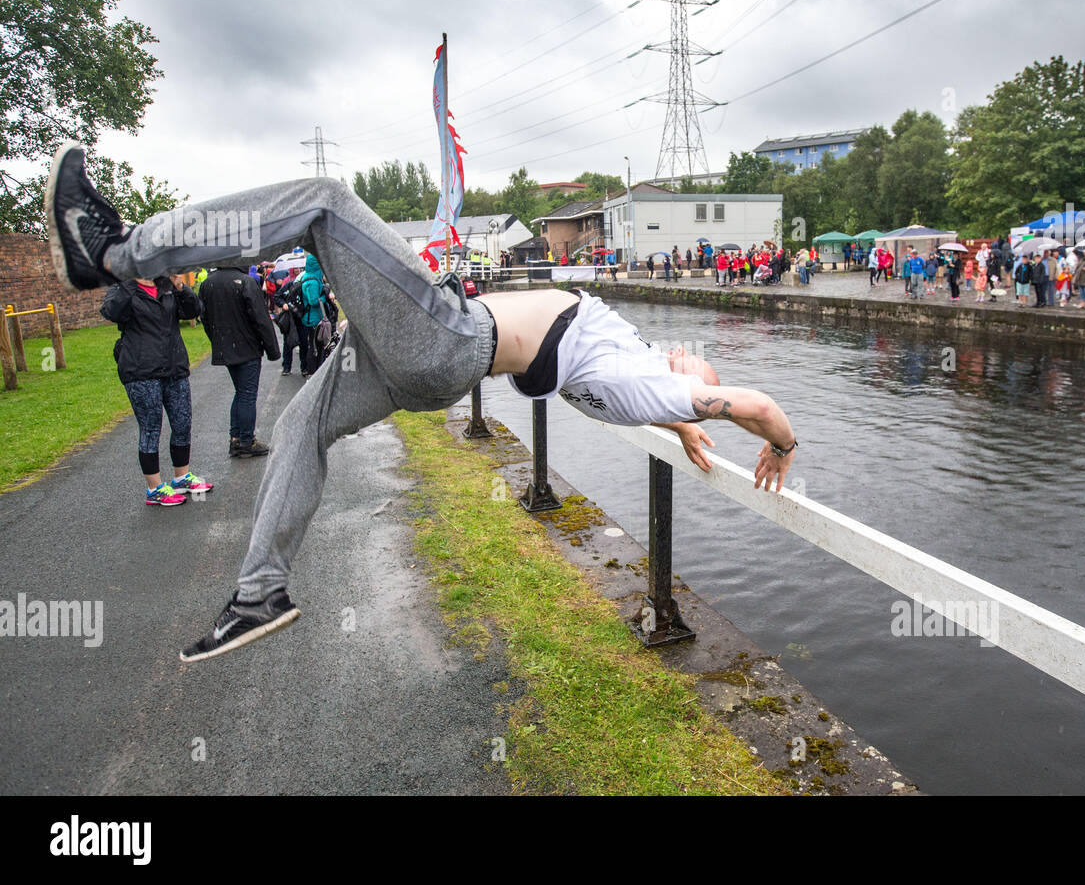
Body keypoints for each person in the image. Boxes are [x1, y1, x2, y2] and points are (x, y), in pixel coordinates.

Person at [46, 142, 801, 661]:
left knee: (325, 201)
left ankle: (112, 251)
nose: (685, 360)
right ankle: (259, 595)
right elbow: (660, 393)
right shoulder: (646, 381)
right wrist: (687, 416)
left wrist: (773, 438)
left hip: (443, 341)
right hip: (412, 359)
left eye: (691, 372)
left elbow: (753, 405)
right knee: (298, 427)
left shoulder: (653, 384)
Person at [100, 271, 213, 506]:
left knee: (182, 423)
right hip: (141, 370)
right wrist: (130, 284)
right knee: (151, 428)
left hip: (174, 366)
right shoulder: (122, 288)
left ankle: (181, 476)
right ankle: (154, 488)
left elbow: (193, 311)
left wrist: (181, 287)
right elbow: (112, 312)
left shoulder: (167, 286)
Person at [199, 264, 282, 458]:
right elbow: (261, 318)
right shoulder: (246, 282)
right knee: (247, 394)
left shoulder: (207, 283)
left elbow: (205, 316)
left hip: (226, 345)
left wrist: (216, 340)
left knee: (241, 392)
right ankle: (246, 440)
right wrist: (272, 350)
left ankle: (236, 438)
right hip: (247, 346)